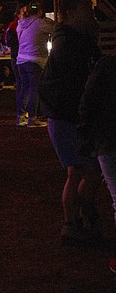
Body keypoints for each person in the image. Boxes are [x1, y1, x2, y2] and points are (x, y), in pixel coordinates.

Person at [38, 0, 102, 246]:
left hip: (66, 117)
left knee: (81, 172)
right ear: (74, 11)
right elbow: (74, 84)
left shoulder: (73, 39)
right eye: (86, 9)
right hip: (67, 118)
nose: (91, 13)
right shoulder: (69, 43)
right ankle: (78, 220)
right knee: (85, 172)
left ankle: (77, 221)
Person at [78, 54, 116, 271]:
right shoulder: (106, 66)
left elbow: (87, 102)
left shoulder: (105, 66)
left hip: (107, 138)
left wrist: (87, 132)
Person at [16, 2, 54, 127]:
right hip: (35, 59)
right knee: (34, 89)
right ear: (39, 13)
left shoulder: (20, 25)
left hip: (21, 59)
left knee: (24, 88)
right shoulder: (40, 23)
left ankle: (20, 116)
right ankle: (32, 118)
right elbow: (54, 28)